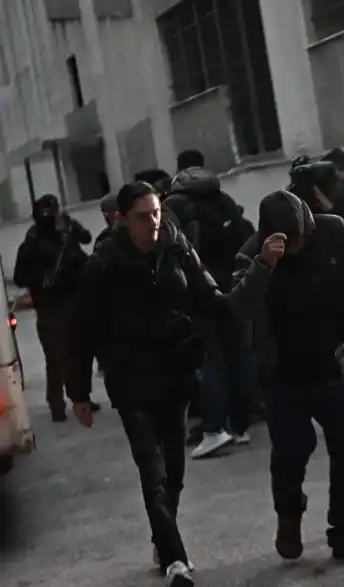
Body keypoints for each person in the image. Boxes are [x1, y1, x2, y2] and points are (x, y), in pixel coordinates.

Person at [64, 180, 267, 586]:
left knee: (174, 471)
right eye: (142, 217)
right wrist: (79, 393)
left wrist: (256, 280)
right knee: (151, 470)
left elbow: (212, 297)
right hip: (130, 380)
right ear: (122, 220)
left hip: (176, 375)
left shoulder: (176, 248)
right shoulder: (103, 266)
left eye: (156, 213)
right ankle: (176, 560)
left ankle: (163, 537)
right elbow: (81, 331)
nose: (152, 222)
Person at [234, 189, 344, 563]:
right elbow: (239, 307)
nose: (296, 248)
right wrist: (264, 264)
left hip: (335, 364)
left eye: (300, 239)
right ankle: (289, 517)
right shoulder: (252, 252)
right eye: (289, 242)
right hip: (283, 374)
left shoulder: (334, 232)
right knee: (291, 452)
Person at [164, 167, 255, 458]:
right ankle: (241, 425)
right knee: (237, 357)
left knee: (206, 363)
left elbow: (170, 252)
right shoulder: (225, 203)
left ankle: (215, 428)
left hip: (198, 296)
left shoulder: (176, 207)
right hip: (231, 291)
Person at [13, 194, 99, 422]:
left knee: (78, 353)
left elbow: (86, 239)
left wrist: (69, 228)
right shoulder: (33, 240)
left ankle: (81, 396)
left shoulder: (67, 231)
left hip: (75, 300)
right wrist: (41, 278)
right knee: (55, 357)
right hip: (50, 307)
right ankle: (56, 403)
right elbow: (20, 276)